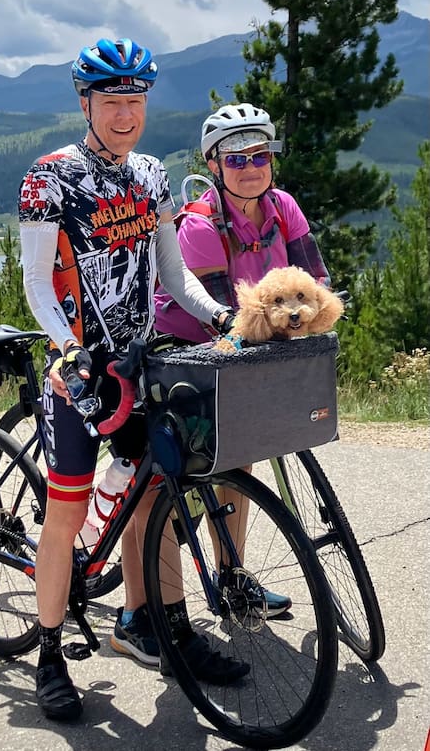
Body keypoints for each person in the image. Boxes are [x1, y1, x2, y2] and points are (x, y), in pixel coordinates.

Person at [18, 39, 249, 722]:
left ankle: (170, 629)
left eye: (136, 99)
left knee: (156, 494)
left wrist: (221, 316)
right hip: (80, 372)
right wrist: (68, 351)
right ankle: (50, 654)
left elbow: (173, 277)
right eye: (112, 100)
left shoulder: (150, 174)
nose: (125, 113)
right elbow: (35, 280)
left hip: (138, 362)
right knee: (65, 515)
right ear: (85, 102)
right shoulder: (51, 177)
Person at [155, 102, 333, 615]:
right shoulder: (200, 224)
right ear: (213, 165)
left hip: (253, 345)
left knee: (242, 456)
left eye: (261, 154)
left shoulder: (284, 208)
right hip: (192, 345)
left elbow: (312, 278)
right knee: (179, 469)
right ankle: (163, 602)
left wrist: (310, 310)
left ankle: (232, 576)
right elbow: (227, 316)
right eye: (236, 159)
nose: (251, 167)